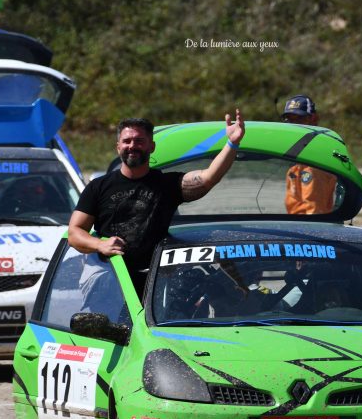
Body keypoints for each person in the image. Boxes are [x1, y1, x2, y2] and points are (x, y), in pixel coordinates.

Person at [68, 111, 245, 291]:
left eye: (139, 141)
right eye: (127, 141)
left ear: (151, 146)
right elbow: (74, 233)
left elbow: (208, 178)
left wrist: (232, 143)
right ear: (118, 147)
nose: (132, 146)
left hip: (156, 281)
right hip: (109, 278)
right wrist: (100, 244)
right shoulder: (98, 187)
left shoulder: (166, 185)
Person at [280, 94, 337, 214]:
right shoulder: (300, 156)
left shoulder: (314, 164)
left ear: (314, 120)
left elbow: (314, 213)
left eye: (299, 119)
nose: (293, 125)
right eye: (288, 120)